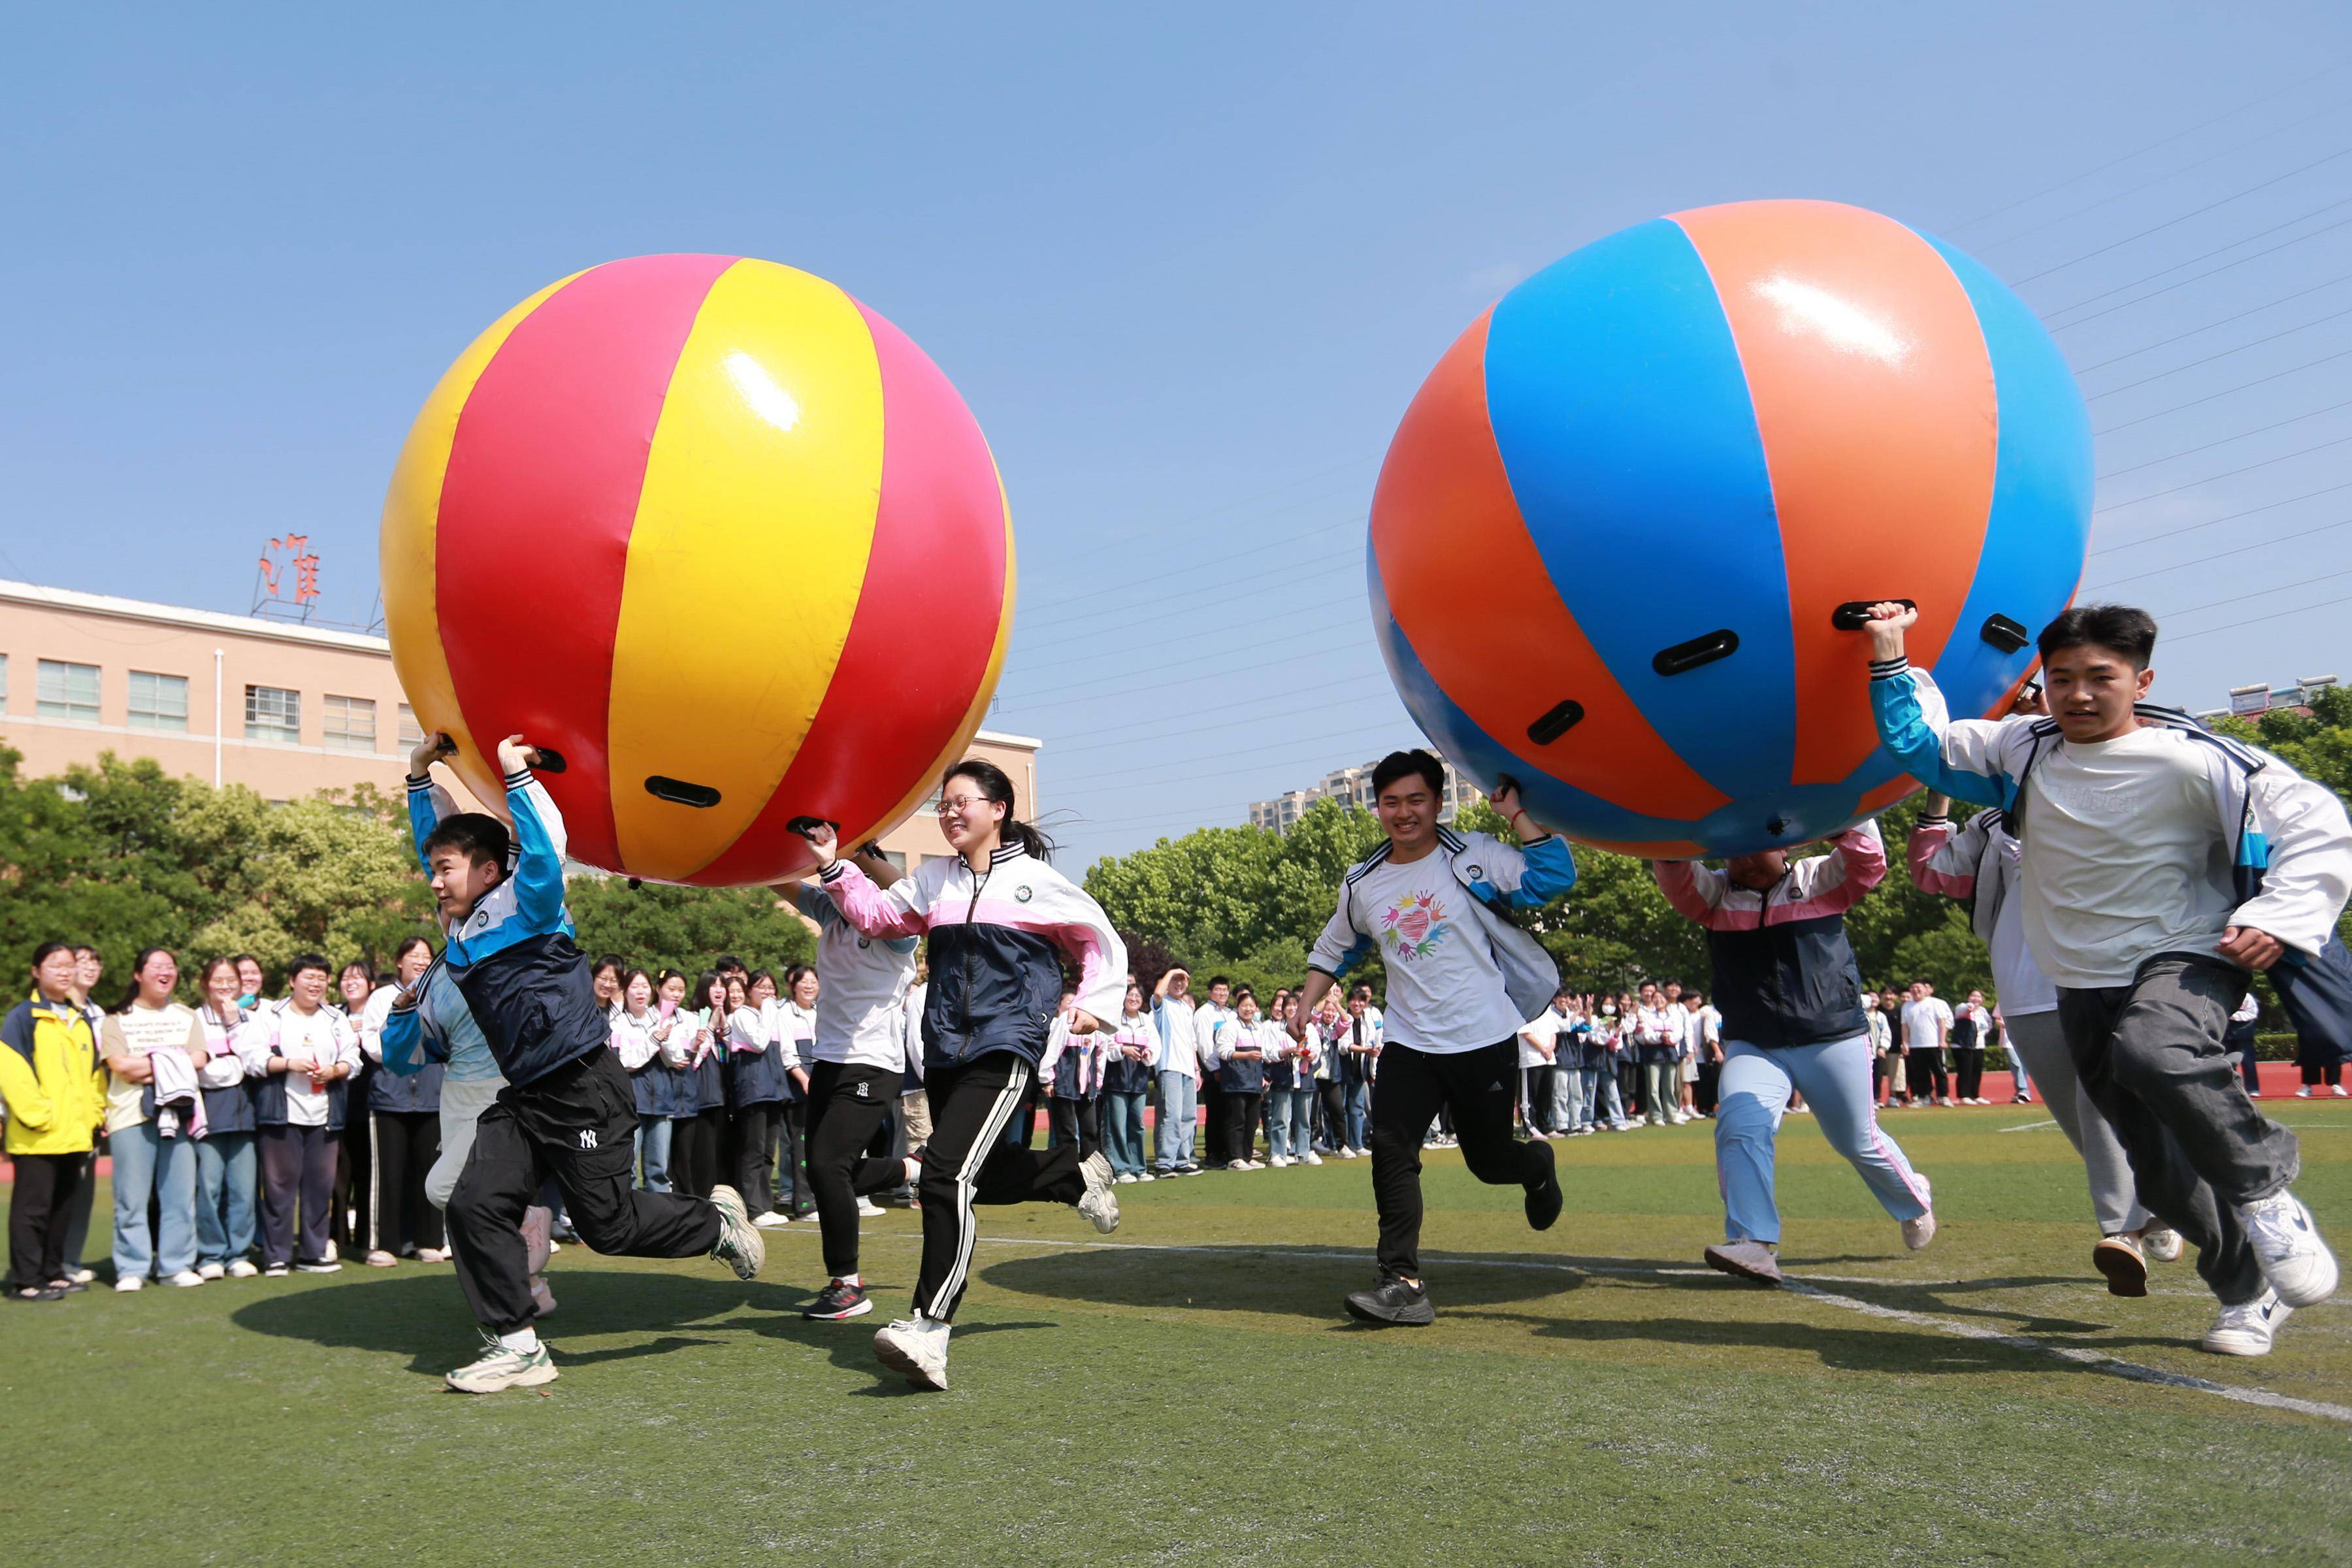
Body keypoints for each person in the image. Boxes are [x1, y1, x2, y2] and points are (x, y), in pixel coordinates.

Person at [1868, 599, 2345, 1355]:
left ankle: (2265, 1192)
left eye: (2100, 677)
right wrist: (1889, 653)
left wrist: (2280, 915)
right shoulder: (2025, 752)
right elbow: (1922, 746)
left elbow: (2316, 824)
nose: (2078, 695)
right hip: (2081, 977)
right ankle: (2248, 1291)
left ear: (2141, 678)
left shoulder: (2202, 758)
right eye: (2061, 679)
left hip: (2189, 953)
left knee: (2154, 1049)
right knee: (2152, 1173)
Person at [399, 731, 764, 1393]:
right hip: (526, 1098)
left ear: (487, 869)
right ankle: (517, 1345)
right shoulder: (461, 925)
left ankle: (716, 1224)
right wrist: (420, 779)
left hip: (583, 1086)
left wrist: (516, 778)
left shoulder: (530, 904)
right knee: (472, 1202)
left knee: (610, 1226)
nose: (434, 880)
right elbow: (443, 837)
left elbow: (544, 846)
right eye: (435, 868)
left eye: (446, 868)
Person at [798, 757, 1125, 1391]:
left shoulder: (1035, 882)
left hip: (1008, 1045)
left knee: (945, 1174)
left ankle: (930, 1327)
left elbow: (1098, 938)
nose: (949, 813)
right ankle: (1071, 1172)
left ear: (997, 809)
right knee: (982, 1177)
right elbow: (878, 918)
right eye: (943, 805)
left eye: (961, 802)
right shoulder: (931, 881)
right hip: (946, 1047)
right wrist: (835, 866)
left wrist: (1091, 1004)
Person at [1294, 752, 1573, 1326]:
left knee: (1490, 1161)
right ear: (1377, 808)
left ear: (1437, 803)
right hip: (1409, 1042)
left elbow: (1552, 878)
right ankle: (1402, 1281)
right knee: (1392, 1149)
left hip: (1484, 1036)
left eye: (1416, 800)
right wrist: (1304, 1001)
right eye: (1391, 802)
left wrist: (1516, 814)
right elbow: (1334, 948)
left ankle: (1536, 1165)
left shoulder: (1470, 856)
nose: (1404, 813)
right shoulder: (1363, 881)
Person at [1910, 791, 2183, 1292]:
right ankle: (2161, 1203)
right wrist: (1937, 792)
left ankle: (2124, 1232)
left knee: (2100, 1099)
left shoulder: (2112, 793)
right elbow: (1933, 874)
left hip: (2104, 976)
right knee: (2083, 1125)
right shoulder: (1993, 822)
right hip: (2026, 991)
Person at [1651, 821, 1935, 1286]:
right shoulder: (1715, 895)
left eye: (1755, 851)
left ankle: (1914, 1198)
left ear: (1783, 846)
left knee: (1857, 1141)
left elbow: (1868, 863)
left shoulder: (1816, 879)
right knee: (1740, 1127)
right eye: (1733, 854)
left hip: (1832, 1036)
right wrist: (1666, 833)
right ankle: (1753, 1243)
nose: (1743, 862)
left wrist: (1842, 820)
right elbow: (1673, 873)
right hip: (1754, 1041)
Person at [789, 850, 922, 1321]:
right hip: (829, 1060)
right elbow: (777, 879)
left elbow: (910, 894)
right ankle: (910, 1170)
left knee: (829, 1166)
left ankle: (847, 1285)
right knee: (825, 1169)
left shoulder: (895, 929)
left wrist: (864, 852)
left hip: (872, 1064)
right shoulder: (831, 913)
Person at [235, 953, 360, 1276]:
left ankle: (313, 1253)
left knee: (320, 1186)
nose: (316, 984)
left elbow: (354, 1059)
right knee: (278, 1187)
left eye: (321, 978)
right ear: (292, 981)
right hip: (281, 1113)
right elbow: (251, 1058)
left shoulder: (334, 1018)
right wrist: (288, 1063)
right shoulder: (270, 1015)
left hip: (325, 1115)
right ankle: (276, 1256)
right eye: (309, 977)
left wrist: (333, 1070)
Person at [99, 947, 209, 1290]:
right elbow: (119, 1065)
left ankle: (175, 1265)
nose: (166, 972)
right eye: (157, 966)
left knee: (179, 1195)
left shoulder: (186, 1015)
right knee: (131, 1197)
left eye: (171, 967)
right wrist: (170, 1064)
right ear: (138, 974)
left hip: (179, 1114)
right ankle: (132, 1267)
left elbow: (199, 1059)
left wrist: (148, 1065)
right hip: (131, 1116)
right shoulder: (117, 1018)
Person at [358, 937, 446, 1267]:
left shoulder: (440, 992)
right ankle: (383, 1244)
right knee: (388, 1175)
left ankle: (428, 1241)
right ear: (399, 961)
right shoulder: (382, 997)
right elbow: (371, 1041)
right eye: (414, 956)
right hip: (389, 1096)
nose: (421, 961)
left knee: (430, 1172)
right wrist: (404, 1053)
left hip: (432, 1095)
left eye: (426, 956)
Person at [189, 957, 261, 1279]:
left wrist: (234, 1031)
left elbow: (254, 1062)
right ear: (205, 983)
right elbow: (205, 1073)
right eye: (217, 980)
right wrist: (233, 1060)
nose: (225, 986)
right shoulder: (195, 1020)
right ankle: (210, 1255)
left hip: (245, 1112)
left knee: (244, 1190)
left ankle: (239, 1253)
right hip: (209, 1113)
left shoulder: (249, 1017)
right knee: (209, 1188)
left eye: (231, 980)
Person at [722, 972, 791, 1226]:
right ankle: (753, 1208)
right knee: (753, 1150)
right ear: (750, 990)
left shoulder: (769, 1015)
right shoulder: (742, 1015)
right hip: (754, 1090)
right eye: (761, 987)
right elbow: (760, 1043)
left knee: (767, 1152)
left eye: (771, 988)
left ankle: (765, 1205)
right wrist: (771, 1009)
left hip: (774, 1090)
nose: (767, 992)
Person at [1203, 987, 1269, 1170]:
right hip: (1236, 1082)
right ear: (1237, 1007)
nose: (1248, 1009)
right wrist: (1246, 1056)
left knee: (1252, 1121)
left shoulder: (1259, 1028)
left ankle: (1247, 1156)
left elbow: (1267, 1052)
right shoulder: (1230, 1027)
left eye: (1251, 1006)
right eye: (1244, 1006)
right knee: (1236, 1120)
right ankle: (1234, 1157)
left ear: (1256, 1008)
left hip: (1255, 1082)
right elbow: (1224, 1052)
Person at [1102, 983, 1158, 1183]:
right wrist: (1123, 1050)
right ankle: (1120, 1168)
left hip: (1139, 1080)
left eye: (1137, 996)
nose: (1133, 999)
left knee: (1137, 1125)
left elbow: (1155, 1046)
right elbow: (1106, 1046)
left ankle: (1139, 1167)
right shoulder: (1115, 1019)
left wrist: (1148, 1054)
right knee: (1116, 1125)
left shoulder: (1147, 1022)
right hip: (1116, 1080)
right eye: (1130, 995)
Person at [1149, 967, 1203, 1177]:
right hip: (1169, 1066)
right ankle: (1165, 1162)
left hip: (1188, 1068)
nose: (1179, 984)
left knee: (1188, 1116)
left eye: (1183, 980)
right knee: (1170, 1115)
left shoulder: (1186, 1008)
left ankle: (1183, 1159)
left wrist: (1196, 1068)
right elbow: (1157, 994)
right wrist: (1171, 972)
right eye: (1175, 980)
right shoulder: (1162, 1006)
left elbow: (1192, 1042)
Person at [1041, 992, 1105, 1160]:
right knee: (1067, 1133)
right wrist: (1047, 1079)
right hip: (1064, 1084)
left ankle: (1091, 1171)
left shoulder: (1098, 1026)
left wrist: (1097, 1083)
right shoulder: (1065, 1020)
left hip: (1087, 1087)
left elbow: (1101, 1056)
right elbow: (1053, 1050)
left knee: (1090, 1130)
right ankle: (1068, 1171)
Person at [1194, 977, 1237, 1170]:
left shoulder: (1231, 1014)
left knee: (1230, 1113)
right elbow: (1204, 1045)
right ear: (1210, 992)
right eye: (1218, 990)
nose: (1222, 993)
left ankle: (1227, 1151)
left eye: (1225, 990)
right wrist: (1215, 1069)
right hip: (1215, 1071)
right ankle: (1212, 1154)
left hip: (1232, 1071)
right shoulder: (1204, 1013)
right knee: (1216, 1113)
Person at [1899, 981, 1953, 1107]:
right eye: (1912, 988)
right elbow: (1905, 1027)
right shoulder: (1907, 1006)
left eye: (1918, 988)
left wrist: (1942, 1040)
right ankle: (1924, 1097)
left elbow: (1942, 1023)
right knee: (1920, 1073)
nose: (1915, 990)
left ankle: (1943, 1096)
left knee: (1939, 1071)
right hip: (1916, 1045)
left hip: (1934, 1043)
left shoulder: (1936, 1003)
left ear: (1925, 989)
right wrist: (1905, 1043)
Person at [1516, 1002, 1559, 1137]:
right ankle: (1530, 1126)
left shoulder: (1548, 1010)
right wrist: (1543, 1049)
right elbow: (1525, 1032)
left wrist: (1550, 1049)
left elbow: (1554, 1032)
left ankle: (1544, 1124)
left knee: (1545, 1094)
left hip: (1548, 1058)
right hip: (1531, 1059)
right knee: (1530, 1096)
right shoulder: (1526, 1007)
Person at [1951, 989, 1994, 1105]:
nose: (1976, 999)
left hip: (1979, 1045)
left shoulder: (1983, 1011)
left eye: (1979, 997)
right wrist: (1970, 1007)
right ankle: (1964, 1095)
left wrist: (1983, 1034)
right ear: (1968, 997)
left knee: (1976, 1071)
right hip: (1963, 1045)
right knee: (1965, 1070)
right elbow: (1966, 1009)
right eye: (1973, 996)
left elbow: (1988, 1024)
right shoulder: (1961, 1007)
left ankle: (1975, 1094)